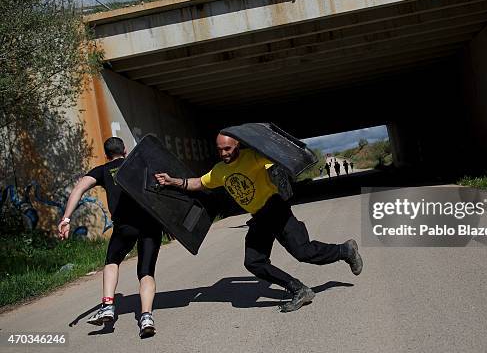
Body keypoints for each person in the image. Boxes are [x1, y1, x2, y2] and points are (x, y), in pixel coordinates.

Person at [154, 133, 362, 312]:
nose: (224, 153)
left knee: (303, 252)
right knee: (254, 261)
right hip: (259, 217)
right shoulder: (219, 170)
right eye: (220, 150)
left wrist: (278, 174)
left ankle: (345, 251)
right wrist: (174, 181)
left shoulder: (255, 157)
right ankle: (299, 289)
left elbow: (277, 166)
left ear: (237, 145)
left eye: (227, 148)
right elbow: (200, 182)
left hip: (275, 209)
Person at [58, 137, 163, 338]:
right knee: (146, 272)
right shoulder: (140, 164)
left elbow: (79, 189)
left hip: (124, 226)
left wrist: (66, 218)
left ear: (106, 155)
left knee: (112, 262)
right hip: (150, 224)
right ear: (125, 150)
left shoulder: (103, 170)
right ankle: (147, 317)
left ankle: (107, 306)